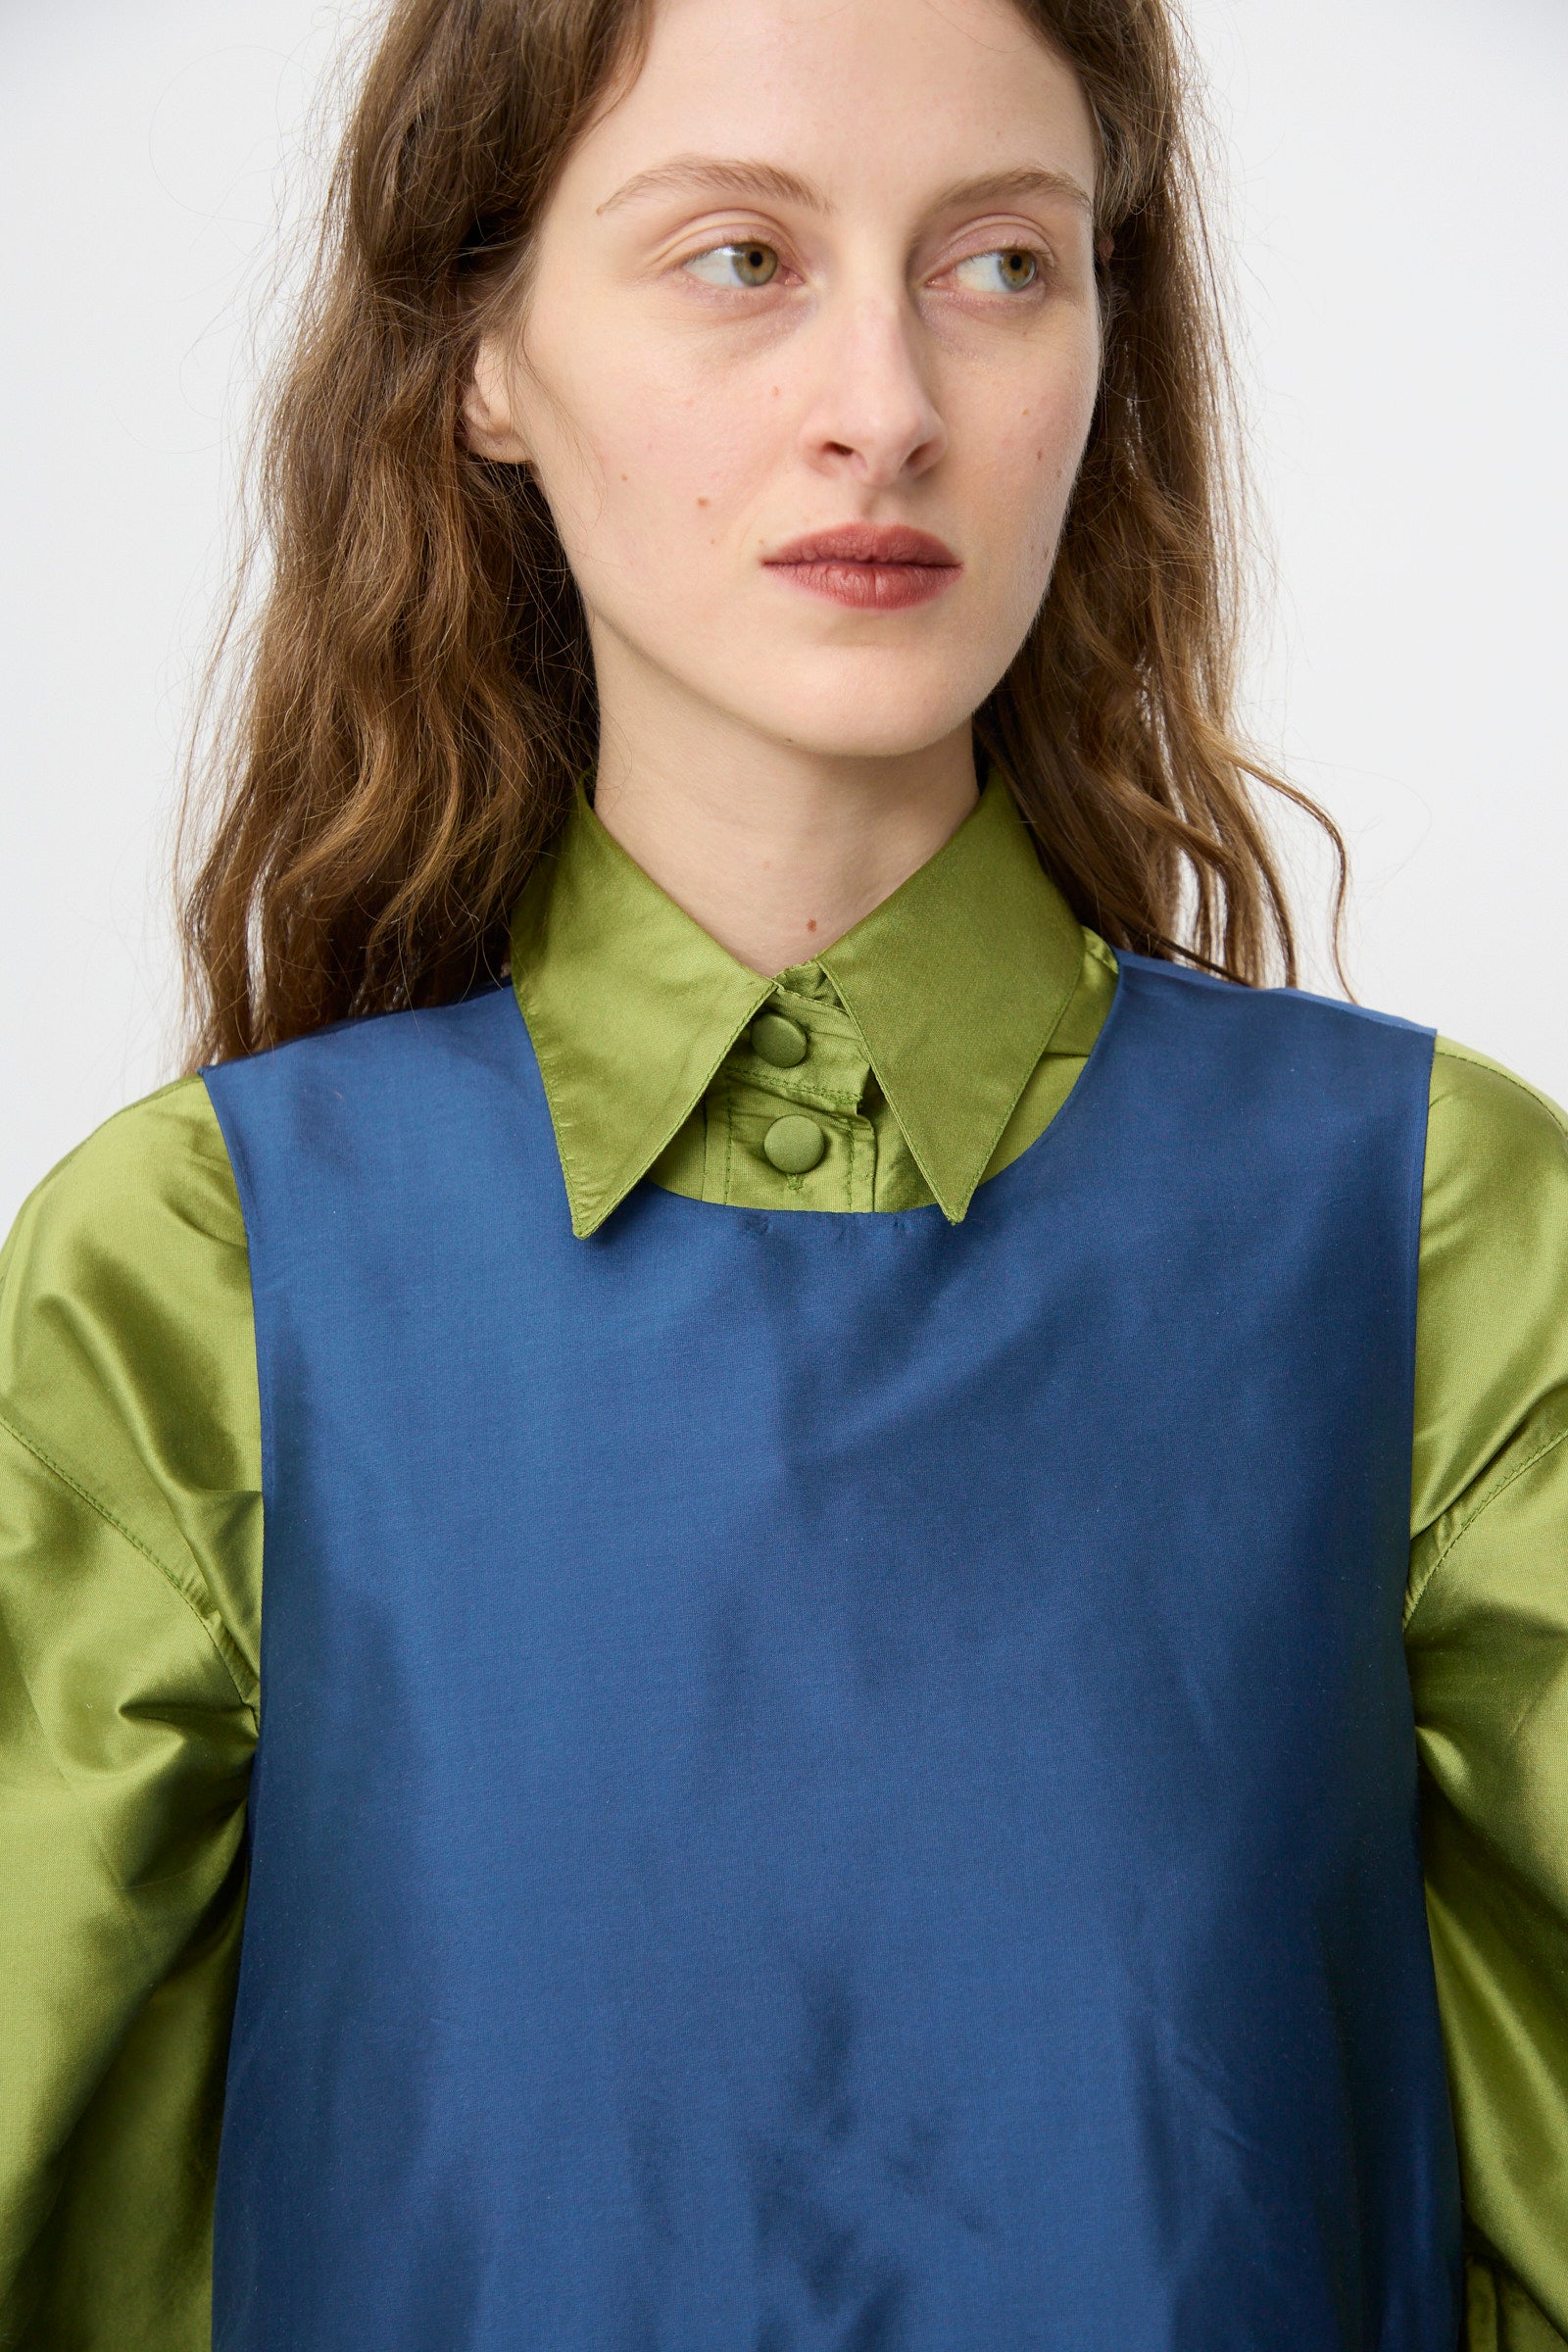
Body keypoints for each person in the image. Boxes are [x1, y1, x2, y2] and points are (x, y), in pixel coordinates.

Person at [1, 0, 1564, 2342]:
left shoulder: (1431, 1240)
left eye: (998, 264)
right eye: (738, 256)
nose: (888, 404)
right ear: (482, 359)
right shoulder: (199, 1283)